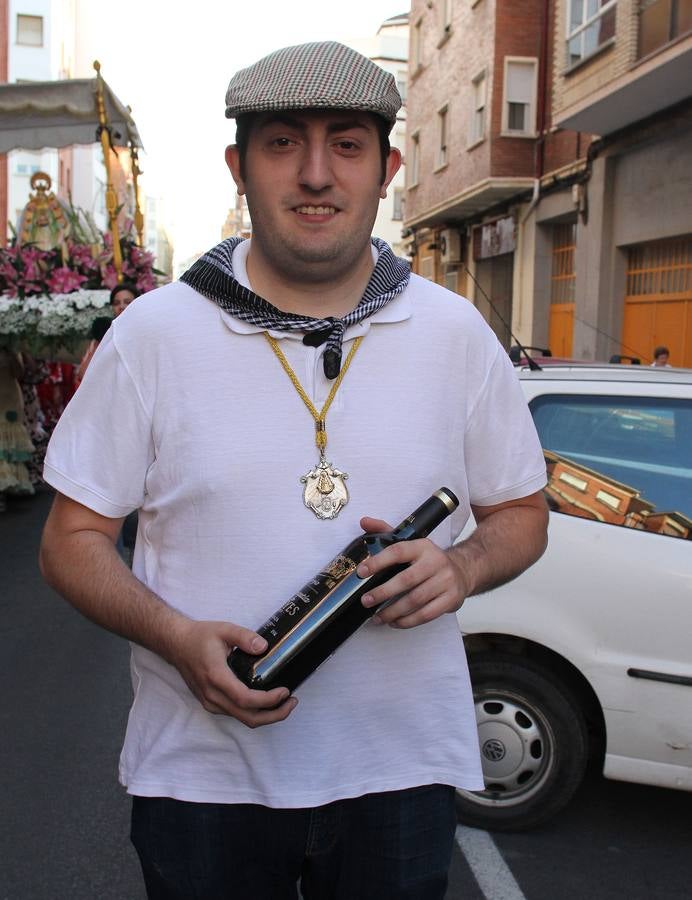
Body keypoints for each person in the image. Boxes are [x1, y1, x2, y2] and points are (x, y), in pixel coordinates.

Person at [39, 41, 549, 900]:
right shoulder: (154, 334)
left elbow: (522, 513)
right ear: (239, 166)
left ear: (387, 168)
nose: (317, 174)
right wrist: (175, 637)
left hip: (399, 774)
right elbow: (70, 540)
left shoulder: (456, 334)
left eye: (346, 144)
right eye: (284, 143)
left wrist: (460, 566)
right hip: (202, 780)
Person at [75, 282, 140, 387]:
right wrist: (101, 342)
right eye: (116, 303)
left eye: (127, 302)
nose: (121, 306)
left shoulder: (145, 333)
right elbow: (83, 374)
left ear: (138, 303)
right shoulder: (105, 334)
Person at [0, 348, 34, 511]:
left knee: (8, 441)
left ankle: (7, 487)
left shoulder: (11, 349)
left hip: (10, 398)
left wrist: (13, 354)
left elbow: (19, 373)